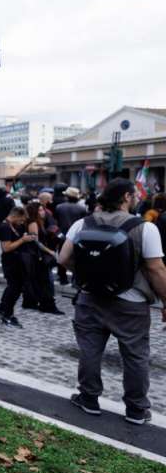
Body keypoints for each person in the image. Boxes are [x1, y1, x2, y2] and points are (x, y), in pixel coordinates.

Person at [59, 179, 166, 425]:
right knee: (135, 355)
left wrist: (86, 275)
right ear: (127, 197)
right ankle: (137, 409)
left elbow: (63, 258)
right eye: (135, 195)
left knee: (89, 350)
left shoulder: (82, 223)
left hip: (89, 298)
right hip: (131, 302)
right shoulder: (145, 228)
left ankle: (88, 398)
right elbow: (156, 269)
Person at [0, 207, 38, 327]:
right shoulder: (5, 227)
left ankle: (3, 309)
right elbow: (6, 247)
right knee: (14, 288)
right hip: (10, 262)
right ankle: (7, 314)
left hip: (17, 261)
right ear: (15, 216)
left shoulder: (13, 226)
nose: (22, 223)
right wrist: (23, 240)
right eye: (21, 220)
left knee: (15, 287)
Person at [22, 202, 64, 314]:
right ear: (34, 212)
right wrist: (49, 251)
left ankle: (36, 302)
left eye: (43, 210)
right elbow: (36, 242)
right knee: (46, 281)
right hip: (36, 256)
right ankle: (47, 304)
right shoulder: (33, 223)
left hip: (37, 255)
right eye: (40, 210)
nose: (43, 212)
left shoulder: (39, 222)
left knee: (42, 280)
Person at [54, 186, 87, 284]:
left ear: (67, 197)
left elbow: (56, 221)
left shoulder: (59, 207)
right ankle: (74, 278)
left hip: (63, 235)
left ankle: (62, 278)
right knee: (76, 257)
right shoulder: (82, 208)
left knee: (62, 255)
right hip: (77, 236)